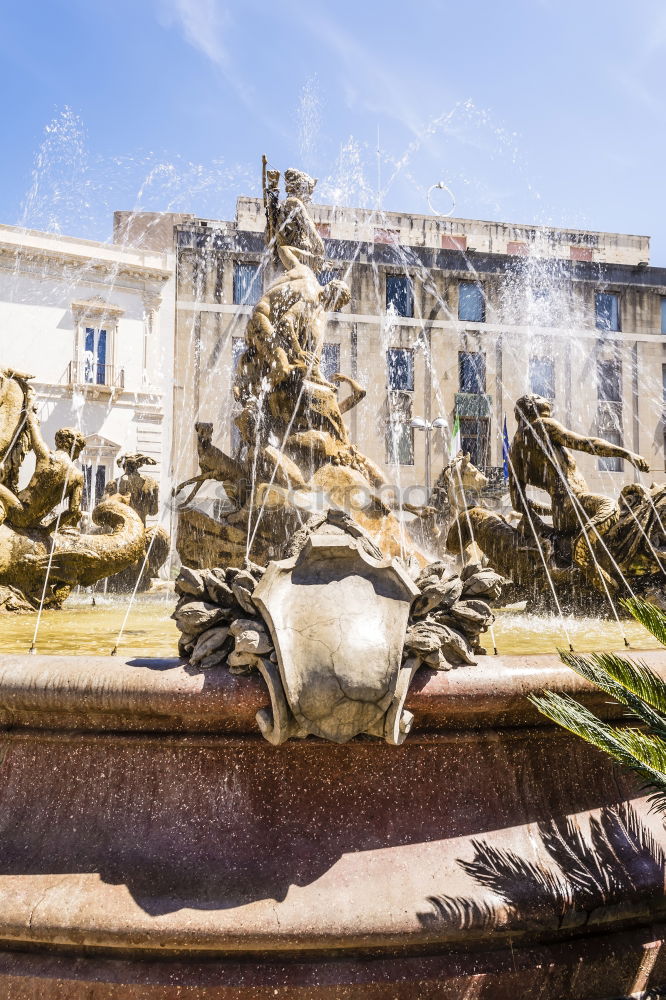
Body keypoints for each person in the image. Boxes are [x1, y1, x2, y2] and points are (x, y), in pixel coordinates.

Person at [509, 393, 649, 588]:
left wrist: (550, 511)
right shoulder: (542, 425)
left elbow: (518, 502)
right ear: (533, 406)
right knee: (610, 507)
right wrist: (625, 453)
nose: (546, 400)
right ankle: (582, 552)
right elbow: (585, 443)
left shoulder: (514, 448)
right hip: (575, 501)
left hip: (562, 513)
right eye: (540, 398)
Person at [0, 393, 86, 530]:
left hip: (18, 512)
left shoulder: (47, 456)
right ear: (76, 449)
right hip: (33, 522)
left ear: (58, 441)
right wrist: (48, 530)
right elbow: (73, 510)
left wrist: (29, 404)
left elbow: (33, 426)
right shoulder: (78, 476)